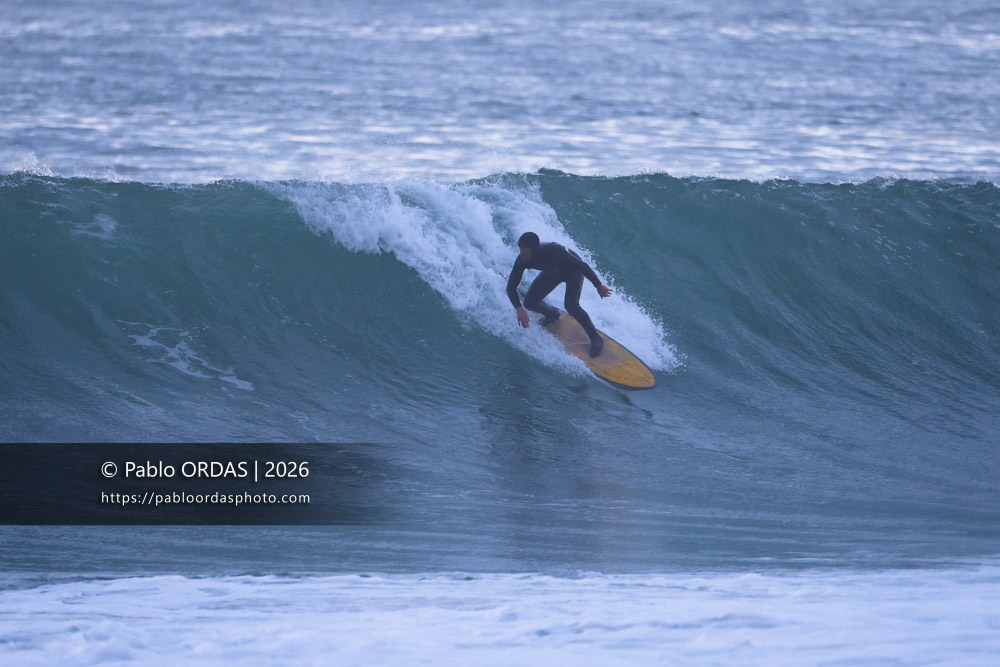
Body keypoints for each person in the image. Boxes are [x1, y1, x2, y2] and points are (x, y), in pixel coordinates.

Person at [506, 231, 613, 357]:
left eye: (525, 248)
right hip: (552, 273)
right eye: (520, 247)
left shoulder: (554, 250)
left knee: (571, 306)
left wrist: (598, 285)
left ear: (533, 248)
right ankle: (552, 315)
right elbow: (511, 287)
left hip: (573, 272)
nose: (521, 251)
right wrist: (519, 308)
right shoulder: (523, 260)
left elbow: (582, 265)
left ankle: (595, 338)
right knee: (529, 303)